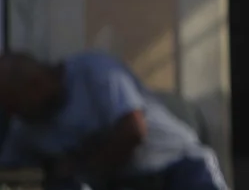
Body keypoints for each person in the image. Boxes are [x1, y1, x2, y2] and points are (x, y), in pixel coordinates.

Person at [0, 50, 227, 190]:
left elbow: (133, 131)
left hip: (176, 166)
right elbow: (11, 172)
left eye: (14, 103)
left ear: (35, 85)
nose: (12, 114)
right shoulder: (25, 127)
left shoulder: (96, 72)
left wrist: (80, 168)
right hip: (126, 182)